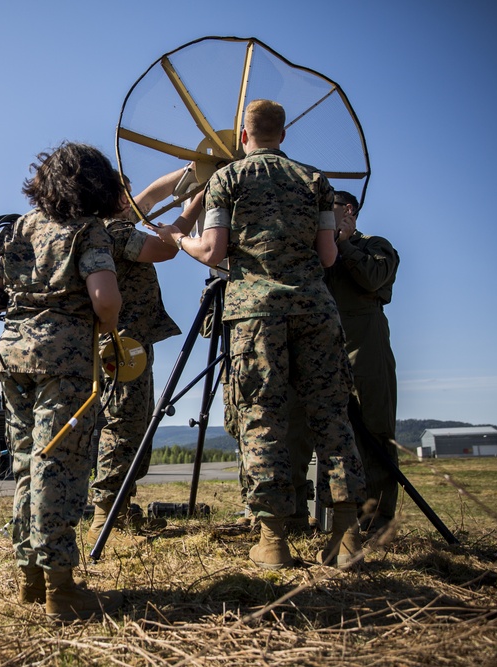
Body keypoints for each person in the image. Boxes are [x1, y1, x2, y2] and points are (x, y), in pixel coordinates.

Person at [154, 99, 366, 569]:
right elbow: (329, 256)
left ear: (243, 138)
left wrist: (176, 238)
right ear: (283, 136)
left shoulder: (228, 179)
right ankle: (347, 537)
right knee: (331, 414)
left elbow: (212, 251)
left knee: (261, 418)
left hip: (255, 316)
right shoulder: (316, 181)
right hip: (315, 310)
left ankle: (272, 541)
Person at [0, 141, 125, 622]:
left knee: (27, 463)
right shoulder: (87, 232)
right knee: (58, 466)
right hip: (62, 364)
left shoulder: (21, 226)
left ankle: (29, 576)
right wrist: (106, 326)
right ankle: (61, 589)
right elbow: (104, 299)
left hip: (12, 360)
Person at [87, 168, 203, 545]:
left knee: (132, 423)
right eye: (125, 194)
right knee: (124, 424)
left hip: (128, 343)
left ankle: (119, 507)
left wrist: (193, 172)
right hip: (122, 345)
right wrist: (191, 210)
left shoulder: (105, 227)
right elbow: (166, 250)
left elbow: (152, 196)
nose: (132, 199)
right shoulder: (114, 232)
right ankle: (105, 513)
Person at [285, 190, 400, 534]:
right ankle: (293, 515)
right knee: (297, 427)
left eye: (327, 208)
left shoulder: (375, 245)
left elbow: (374, 278)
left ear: (347, 210)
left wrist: (345, 244)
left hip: (363, 346)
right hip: (316, 347)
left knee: (374, 429)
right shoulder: (313, 249)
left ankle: (374, 521)